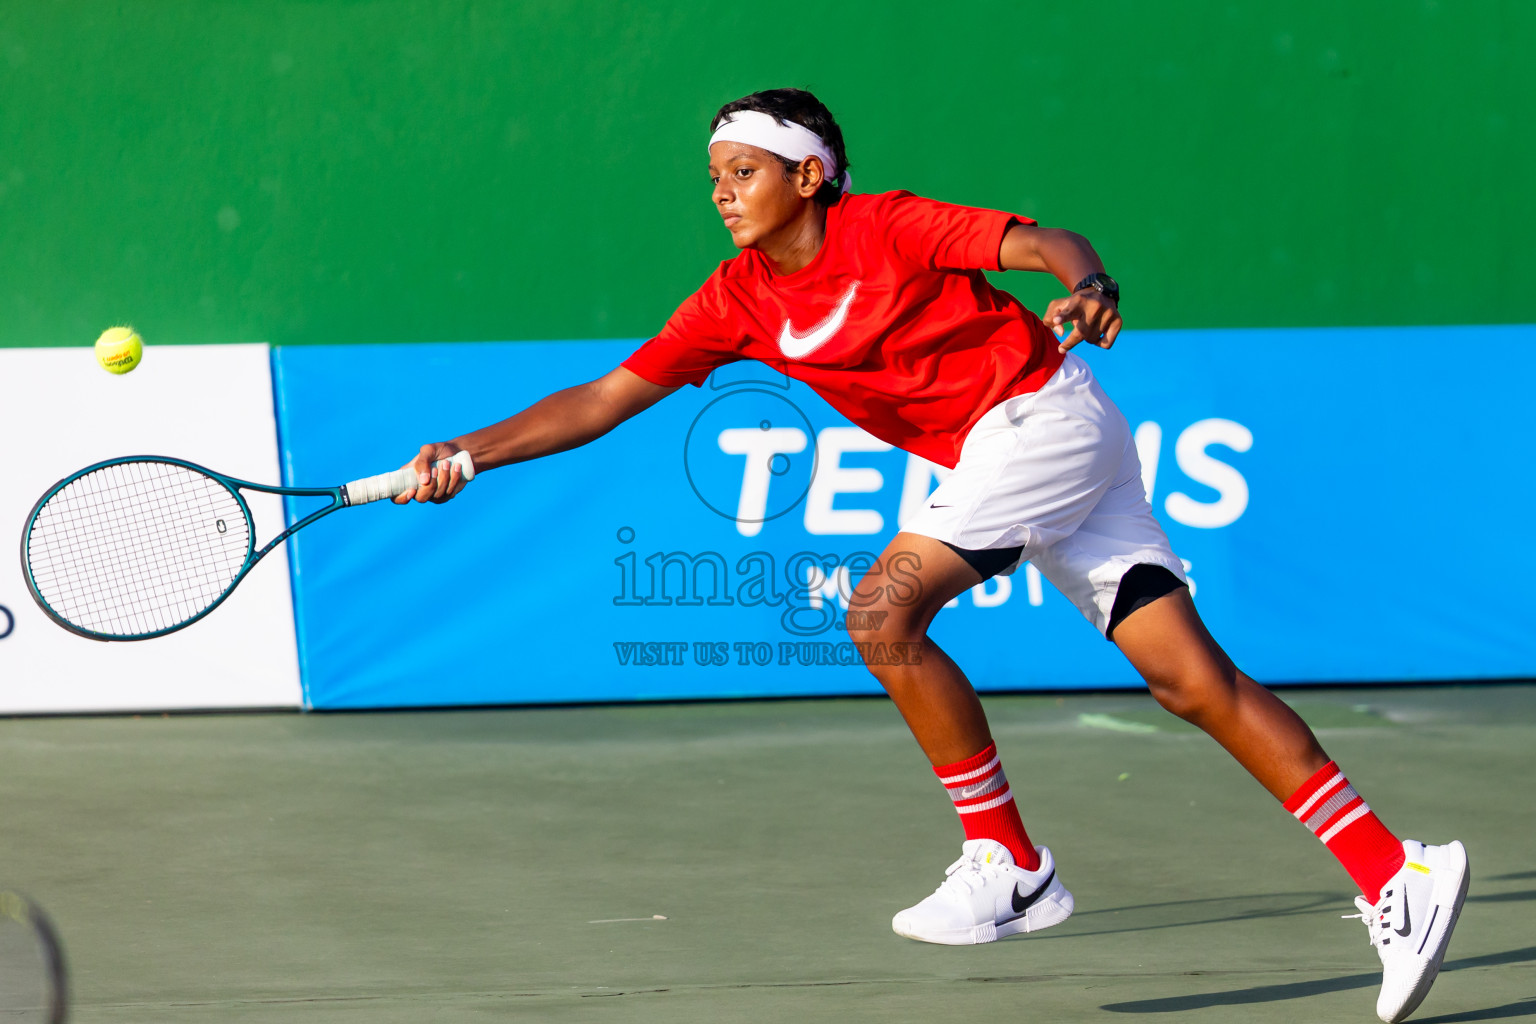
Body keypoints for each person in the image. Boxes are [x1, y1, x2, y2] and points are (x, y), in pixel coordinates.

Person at [395, 88, 1467, 1023]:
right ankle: (1396, 870)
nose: (722, 193)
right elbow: (604, 398)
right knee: (1193, 682)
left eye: (744, 172)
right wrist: (470, 453)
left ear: (810, 176)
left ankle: (1008, 861)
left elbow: (1047, 243)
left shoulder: (889, 225)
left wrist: (1090, 286)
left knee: (882, 613)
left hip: (1039, 417)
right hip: (1044, 441)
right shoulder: (737, 300)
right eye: (715, 177)